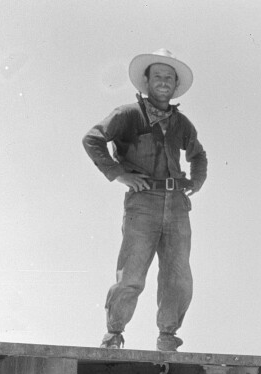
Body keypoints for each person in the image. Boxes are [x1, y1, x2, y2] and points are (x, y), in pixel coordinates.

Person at [83, 49, 206, 352]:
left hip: (177, 205)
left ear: (175, 85)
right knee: (132, 274)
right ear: (146, 81)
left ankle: (167, 337)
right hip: (143, 203)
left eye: (169, 78)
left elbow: (198, 155)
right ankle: (113, 334)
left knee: (177, 276)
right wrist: (119, 174)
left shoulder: (182, 124)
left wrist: (196, 181)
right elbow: (92, 139)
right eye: (158, 76)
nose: (163, 82)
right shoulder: (127, 115)